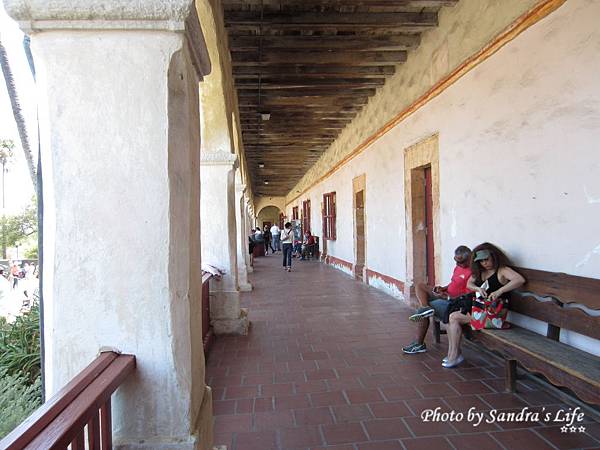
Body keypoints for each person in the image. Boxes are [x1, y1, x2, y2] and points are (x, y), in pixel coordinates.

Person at [444, 242, 525, 368]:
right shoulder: (480, 271)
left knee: (454, 317)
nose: (484, 263)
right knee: (451, 316)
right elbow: (469, 284)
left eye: (486, 260)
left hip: (495, 315)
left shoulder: (502, 270)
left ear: (494, 257)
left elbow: (519, 280)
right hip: (482, 311)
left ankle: (454, 355)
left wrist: (500, 291)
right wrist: (477, 288)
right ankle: (453, 354)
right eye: (481, 261)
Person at [402, 246, 472, 355]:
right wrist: (443, 288)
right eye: (456, 261)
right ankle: (425, 307)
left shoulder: (473, 273)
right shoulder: (458, 268)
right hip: (446, 295)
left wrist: (449, 297)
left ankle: (419, 343)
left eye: (461, 262)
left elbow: (468, 296)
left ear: (469, 258)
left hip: (454, 303)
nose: (458, 264)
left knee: (426, 308)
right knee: (420, 286)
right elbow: (454, 283)